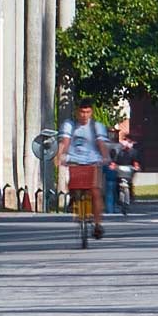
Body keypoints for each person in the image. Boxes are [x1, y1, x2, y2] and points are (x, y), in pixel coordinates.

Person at [57, 100, 112, 237]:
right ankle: (73, 200)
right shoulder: (69, 125)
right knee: (73, 186)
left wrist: (106, 157)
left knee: (95, 191)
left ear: (91, 112)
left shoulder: (97, 127)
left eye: (87, 112)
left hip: (93, 161)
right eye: (82, 112)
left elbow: (101, 144)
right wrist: (59, 156)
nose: (84, 115)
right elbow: (64, 142)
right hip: (74, 161)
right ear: (77, 112)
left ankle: (98, 224)